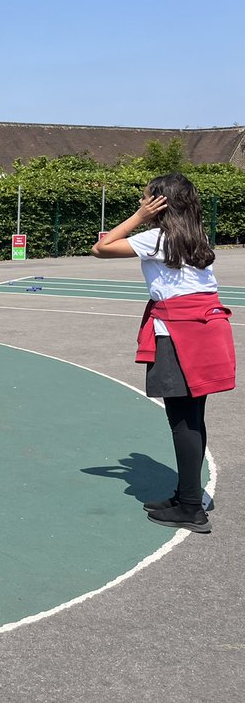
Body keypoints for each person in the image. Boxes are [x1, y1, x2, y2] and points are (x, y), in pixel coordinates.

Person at [92, 174, 236, 533]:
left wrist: (138, 216)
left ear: (159, 203)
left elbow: (102, 247)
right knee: (193, 417)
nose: (142, 202)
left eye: (146, 199)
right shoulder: (195, 236)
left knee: (182, 421)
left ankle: (190, 507)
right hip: (207, 328)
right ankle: (185, 494)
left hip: (179, 333)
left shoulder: (156, 237)